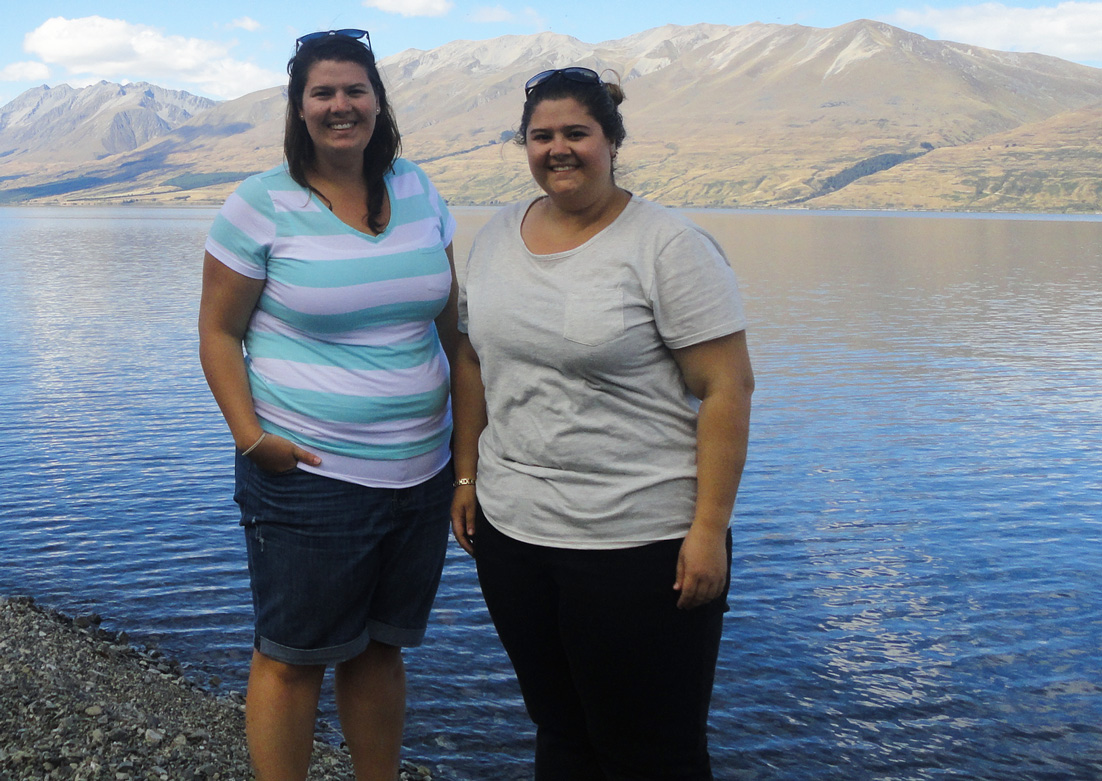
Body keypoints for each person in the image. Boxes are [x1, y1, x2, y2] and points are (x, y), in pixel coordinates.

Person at [450, 66, 755, 780]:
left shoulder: (668, 245)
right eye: (541, 135)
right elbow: (470, 360)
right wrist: (466, 474)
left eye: (576, 133)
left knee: (653, 750)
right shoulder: (497, 234)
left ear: (612, 141)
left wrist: (708, 530)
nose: (558, 148)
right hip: (516, 536)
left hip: (638, 543)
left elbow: (727, 387)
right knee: (559, 728)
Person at [198, 29, 458, 781]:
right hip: (309, 476)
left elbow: (452, 324)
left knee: (381, 648)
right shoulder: (259, 205)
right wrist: (253, 439)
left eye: (355, 89)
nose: (341, 105)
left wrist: (464, 460)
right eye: (323, 92)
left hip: (420, 474)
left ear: (377, 100)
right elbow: (218, 334)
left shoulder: (418, 189)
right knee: (292, 658)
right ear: (299, 107)